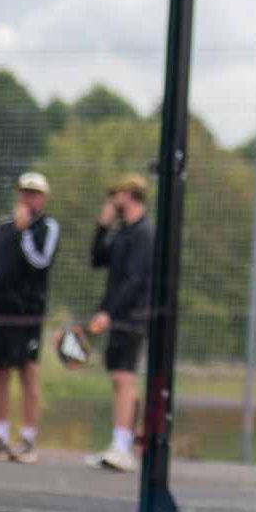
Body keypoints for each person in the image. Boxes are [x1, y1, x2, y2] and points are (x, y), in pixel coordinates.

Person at [0, 172, 59, 464]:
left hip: (28, 314)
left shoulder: (47, 227)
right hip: (1, 312)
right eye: (24, 192)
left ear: (43, 198)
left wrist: (24, 233)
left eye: (34, 194)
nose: (27, 198)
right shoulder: (2, 229)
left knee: (27, 371)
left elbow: (41, 263)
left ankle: (28, 440)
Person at [87, 173, 153, 472]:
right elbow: (97, 259)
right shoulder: (122, 232)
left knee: (124, 379)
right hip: (118, 314)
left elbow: (135, 279)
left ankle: (123, 447)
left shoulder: (144, 233)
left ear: (128, 194)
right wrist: (102, 226)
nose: (112, 199)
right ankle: (123, 443)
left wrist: (109, 312)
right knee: (119, 379)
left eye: (116, 193)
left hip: (133, 315)